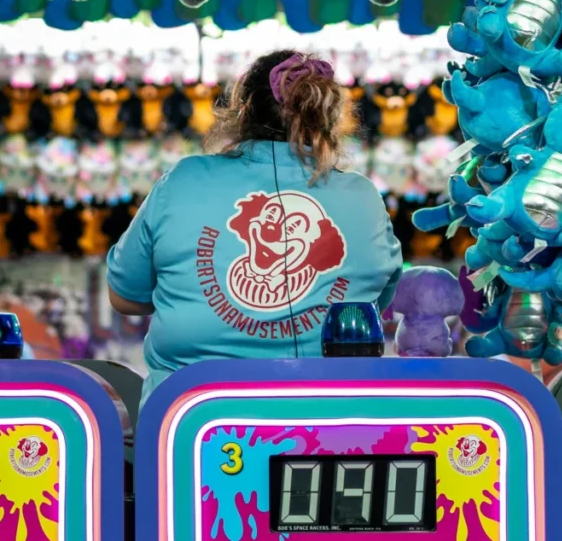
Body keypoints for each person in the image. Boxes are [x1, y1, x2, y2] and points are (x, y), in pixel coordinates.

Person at [107, 50, 404, 409]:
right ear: (325, 115)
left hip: (186, 424)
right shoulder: (363, 197)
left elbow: (124, 296)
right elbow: (371, 305)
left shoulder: (183, 180)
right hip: (329, 424)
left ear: (242, 110)